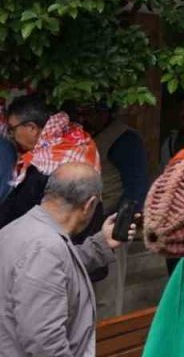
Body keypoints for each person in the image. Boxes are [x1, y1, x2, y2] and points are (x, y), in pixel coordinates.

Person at [0, 162, 134, 356]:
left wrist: (100, 244)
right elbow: (44, 342)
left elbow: (57, 270)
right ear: (89, 205)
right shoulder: (45, 248)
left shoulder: (17, 230)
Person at [0, 95, 103, 238]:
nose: (11, 135)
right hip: (87, 242)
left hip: (51, 246)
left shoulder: (41, 169)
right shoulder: (80, 143)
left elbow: (19, 212)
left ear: (32, 128)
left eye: (12, 129)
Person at [76, 103, 150, 212]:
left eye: (90, 114)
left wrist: (123, 220)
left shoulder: (125, 139)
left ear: (104, 113)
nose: (84, 119)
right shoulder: (87, 135)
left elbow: (136, 188)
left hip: (108, 213)